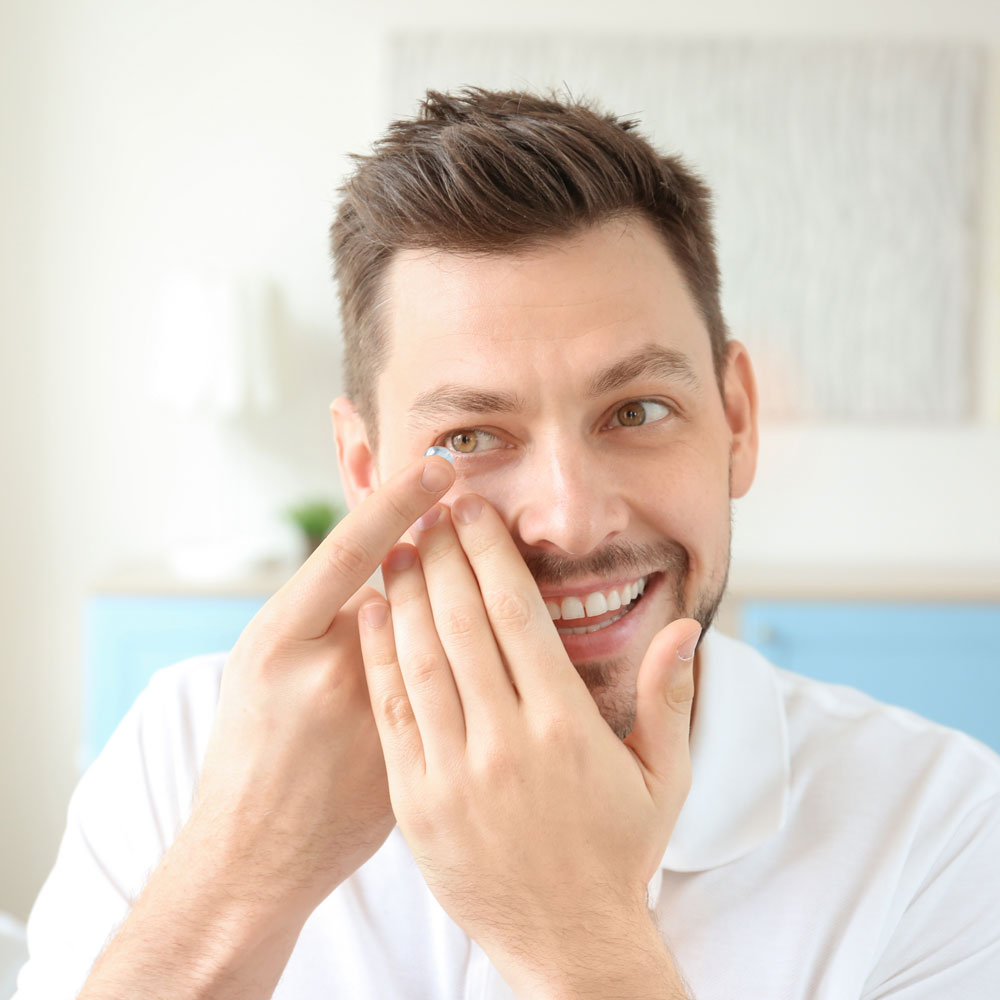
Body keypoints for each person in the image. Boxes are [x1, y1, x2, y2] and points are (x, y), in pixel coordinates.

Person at [15, 88, 1000, 999]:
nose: (570, 517)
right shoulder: (186, 751)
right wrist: (243, 872)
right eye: (469, 437)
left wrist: (577, 935)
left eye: (637, 409)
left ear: (735, 421)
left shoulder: (940, 828)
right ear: (364, 468)